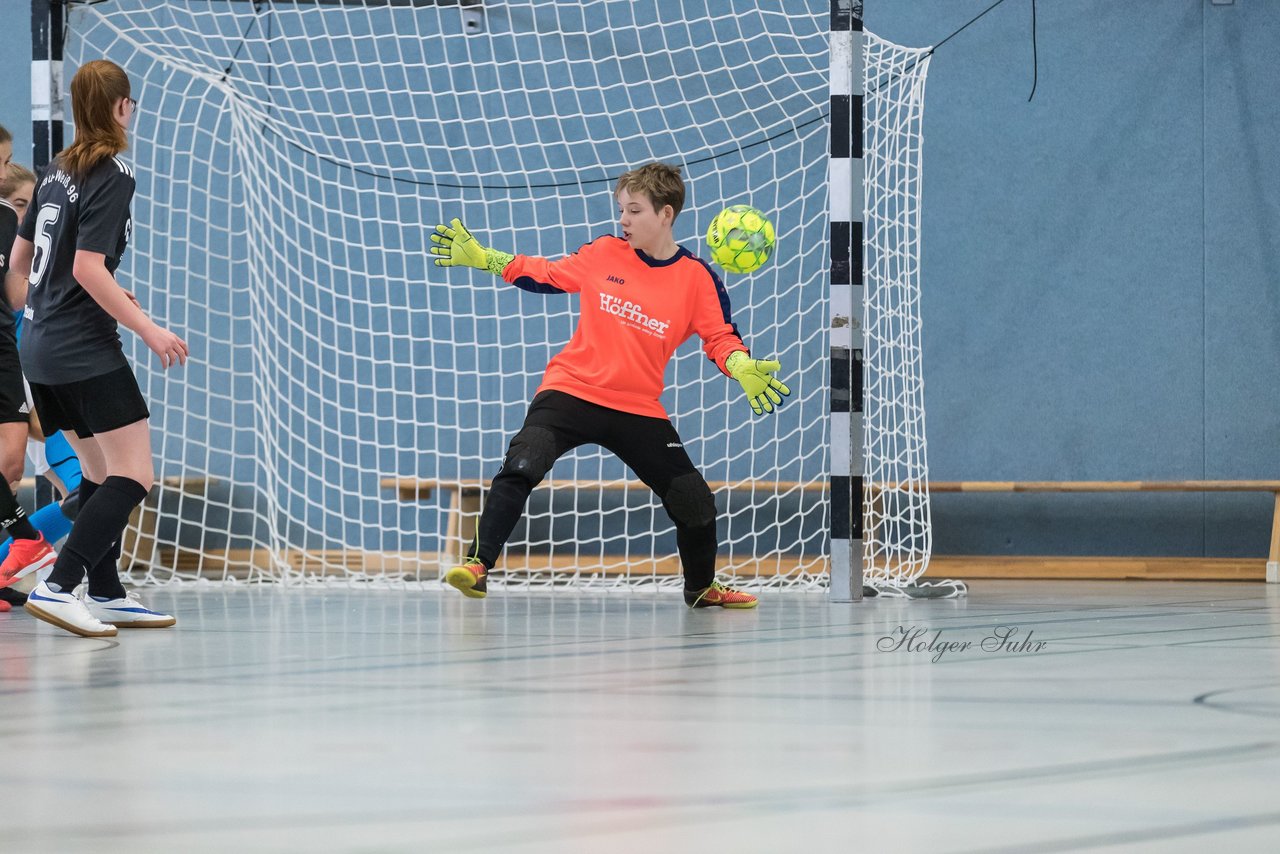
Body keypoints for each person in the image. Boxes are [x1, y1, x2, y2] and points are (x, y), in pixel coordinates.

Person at [430, 162, 789, 609]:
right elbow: (548, 274)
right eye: (622, 209)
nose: (623, 220)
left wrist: (741, 365)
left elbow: (720, 338)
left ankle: (701, 589)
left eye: (634, 210)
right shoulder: (604, 252)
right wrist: (486, 258)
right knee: (524, 462)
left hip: (637, 407)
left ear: (666, 214)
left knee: (694, 501)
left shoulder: (697, 279)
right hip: (572, 389)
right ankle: (479, 565)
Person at [4, 61, 188, 637]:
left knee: (95, 475)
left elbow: (19, 263)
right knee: (134, 477)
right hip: (82, 346)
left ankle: (106, 592)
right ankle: (60, 585)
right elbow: (87, 267)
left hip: (38, 343)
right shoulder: (112, 170)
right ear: (120, 107)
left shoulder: (56, 170)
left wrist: (59, 295)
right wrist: (148, 328)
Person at [0, 125, 59, 599]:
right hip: (23, 365)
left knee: (11, 468)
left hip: (14, 361)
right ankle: (26, 541)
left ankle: (23, 545)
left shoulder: (10, 227)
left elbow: (18, 296)